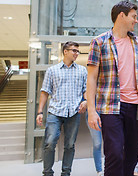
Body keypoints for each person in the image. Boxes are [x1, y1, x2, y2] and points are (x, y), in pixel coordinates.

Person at [86, 1, 138, 176]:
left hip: (135, 106)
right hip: (110, 106)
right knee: (115, 153)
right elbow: (92, 78)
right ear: (121, 16)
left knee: (133, 152)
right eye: (134, 16)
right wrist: (92, 110)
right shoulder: (99, 42)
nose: (136, 21)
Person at [36, 41, 87, 176]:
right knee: (50, 142)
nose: (77, 53)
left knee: (70, 145)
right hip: (55, 112)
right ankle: (47, 172)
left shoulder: (82, 70)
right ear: (65, 51)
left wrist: (86, 101)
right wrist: (40, 112)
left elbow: (86, 90)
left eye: (78, 51)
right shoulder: (52, 71)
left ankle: (66, 173)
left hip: (74, 112)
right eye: (74, 51)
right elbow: (44, 92)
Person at [85, 111, 103, 176]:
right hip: (93, 112)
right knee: (97, 144)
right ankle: (99, 171)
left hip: (108, 111)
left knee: (112, 142)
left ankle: (111, 168)